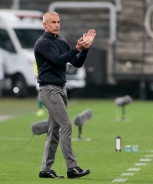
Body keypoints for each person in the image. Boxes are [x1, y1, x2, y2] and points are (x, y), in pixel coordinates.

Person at [34, 11, 96, 179]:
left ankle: (45, 170)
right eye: (53, 22)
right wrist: (77, 48)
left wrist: (84, 50)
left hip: (61, 89)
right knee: (66, 126)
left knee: (54, 131)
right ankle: (72, 168)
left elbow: (76, 63)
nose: (56, 25)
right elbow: (58, 60)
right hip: (48, 90)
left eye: (58, 22)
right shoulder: (42, 43)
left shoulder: (61, 41)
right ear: (45, 25)